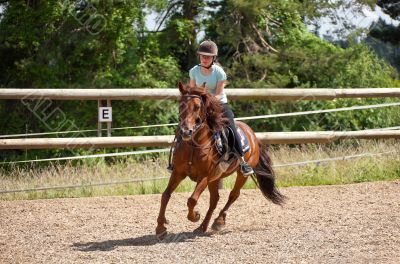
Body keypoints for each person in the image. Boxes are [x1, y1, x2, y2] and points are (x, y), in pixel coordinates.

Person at [187, 39, 254, 176]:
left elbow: (218, 94)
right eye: (202, 56)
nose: (204, 59)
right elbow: (193, 91)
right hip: (200, 106)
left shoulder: (219, 72)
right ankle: (176, 161)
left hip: (219, 104)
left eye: (208, 57)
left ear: (213, 58)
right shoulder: (193, 71)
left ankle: (242, 162)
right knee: (185, 123)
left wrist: (207, 101)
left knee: (231, 128)